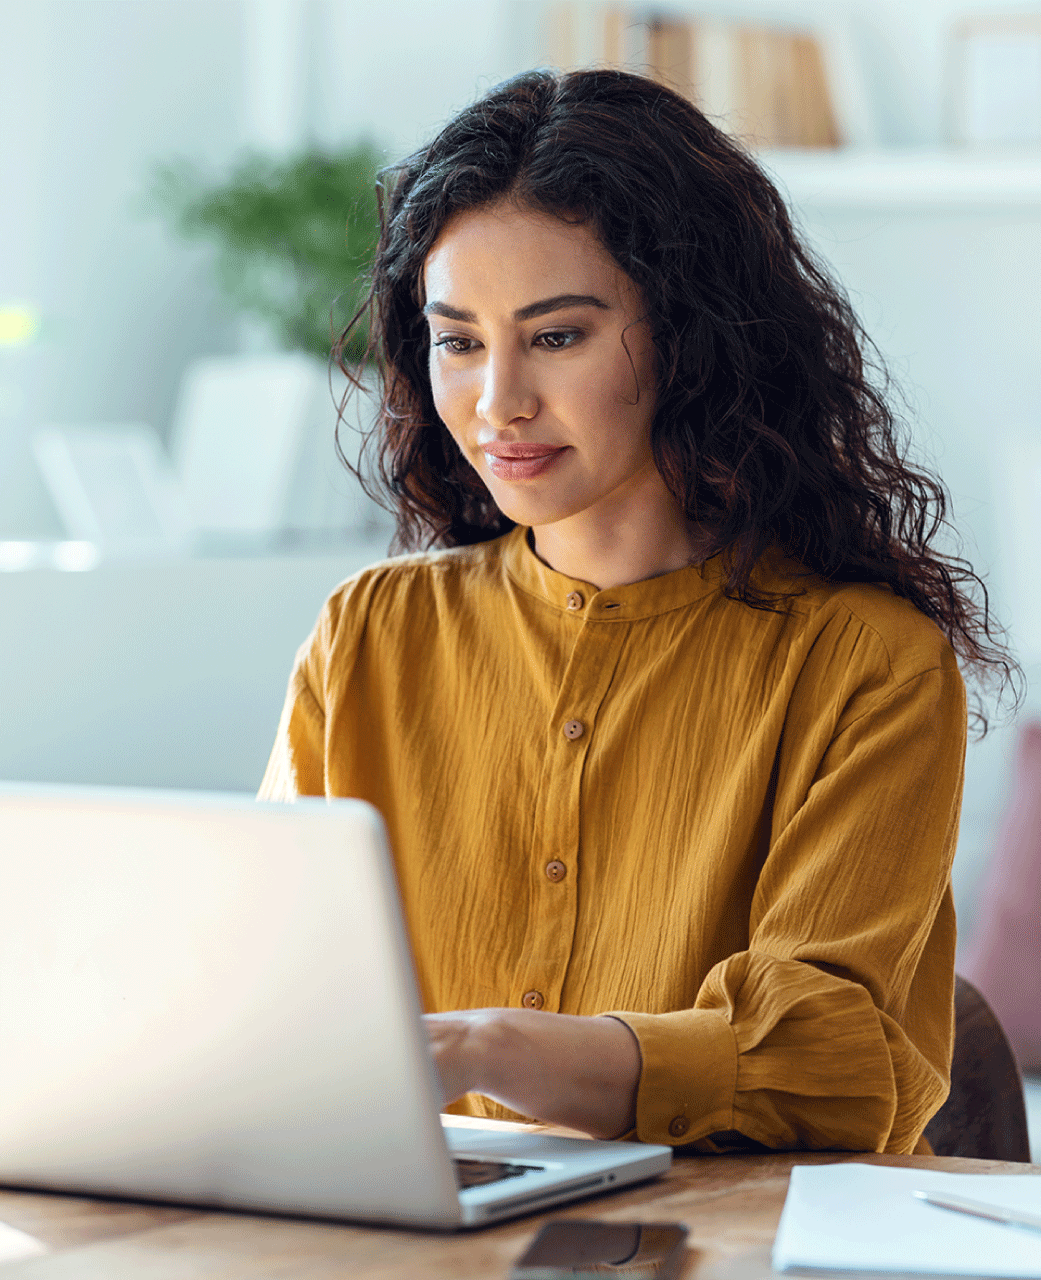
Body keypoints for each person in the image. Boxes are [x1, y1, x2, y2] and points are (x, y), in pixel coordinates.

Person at [259, 68, 1021, 1154]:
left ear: (689, 334)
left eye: (556, 335)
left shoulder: (867, 660)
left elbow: (834, 1058)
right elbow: (270, 988)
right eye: (459, 340)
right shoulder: (369, 633)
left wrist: (490, 1050)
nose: (498, 400)